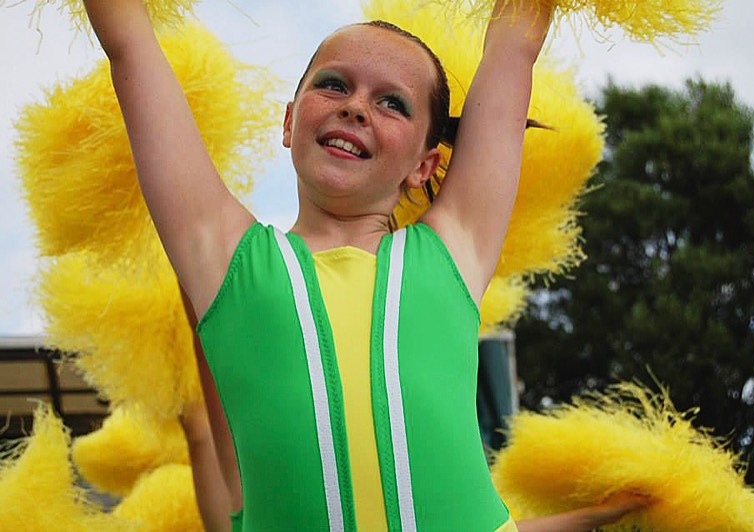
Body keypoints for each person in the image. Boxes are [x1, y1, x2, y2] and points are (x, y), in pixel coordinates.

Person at [84, 1, 651, 529]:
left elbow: (513, 47)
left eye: (392, 103)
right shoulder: (224, 258)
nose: (355, 107)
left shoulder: (456, 247)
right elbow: (131, 43)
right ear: (288, 123)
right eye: (333, 85)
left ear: (425, 164)